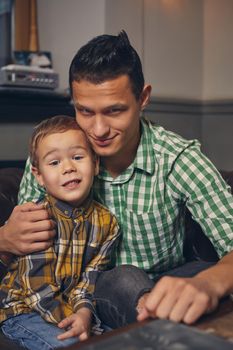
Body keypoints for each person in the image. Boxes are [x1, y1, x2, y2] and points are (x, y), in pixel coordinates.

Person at [0, 30, 233, 330]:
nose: (98, 129)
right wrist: (5, 238)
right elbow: (27, 266)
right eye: (84, 111)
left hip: (160, 286)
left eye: (114, 111)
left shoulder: (178, 159)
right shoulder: (53, 162)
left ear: (143, 98)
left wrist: (210, 282)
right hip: (81, 298)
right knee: (121, 278)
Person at [0, 115, 120, 349]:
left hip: (69, 307)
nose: (68, 168)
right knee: (74, 343)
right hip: (23, 309)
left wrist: (84, 312)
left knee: (119, 339)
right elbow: (36, 287)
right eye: (54, 163)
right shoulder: (36, 219)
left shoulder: (107, 223)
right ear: (39, 176)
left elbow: (90, 278)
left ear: (95, 164)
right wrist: (73, 321)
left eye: (77, 157)